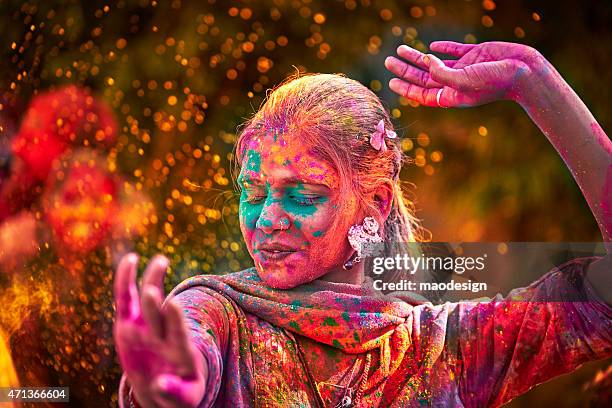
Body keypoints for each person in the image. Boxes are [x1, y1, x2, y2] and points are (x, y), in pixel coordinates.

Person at [114, 40, 612, 407]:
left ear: (372, 205)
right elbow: (188, 353)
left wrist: (534, 80)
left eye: (303, 194)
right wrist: (172, 383)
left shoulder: (444, 352)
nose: (266, 218)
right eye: (254, 193)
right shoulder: (217, 315)